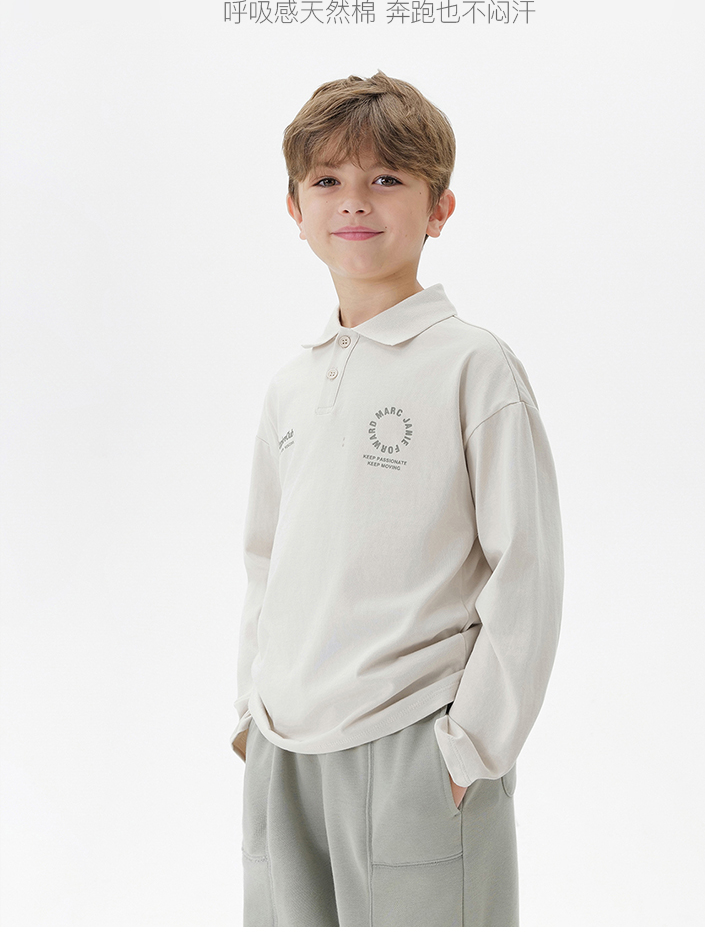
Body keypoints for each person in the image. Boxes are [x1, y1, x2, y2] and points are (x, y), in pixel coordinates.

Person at [230, 71, 564, 927]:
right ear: (295, 207)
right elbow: (265, 561)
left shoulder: (472, 365)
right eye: (327, 180)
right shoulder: (292, 385)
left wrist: (469, 747)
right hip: (285, 746)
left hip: (414, 739)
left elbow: (525, 569)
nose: (354, 200)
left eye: (386, 178)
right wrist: (249, 716)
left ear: (439, 207)